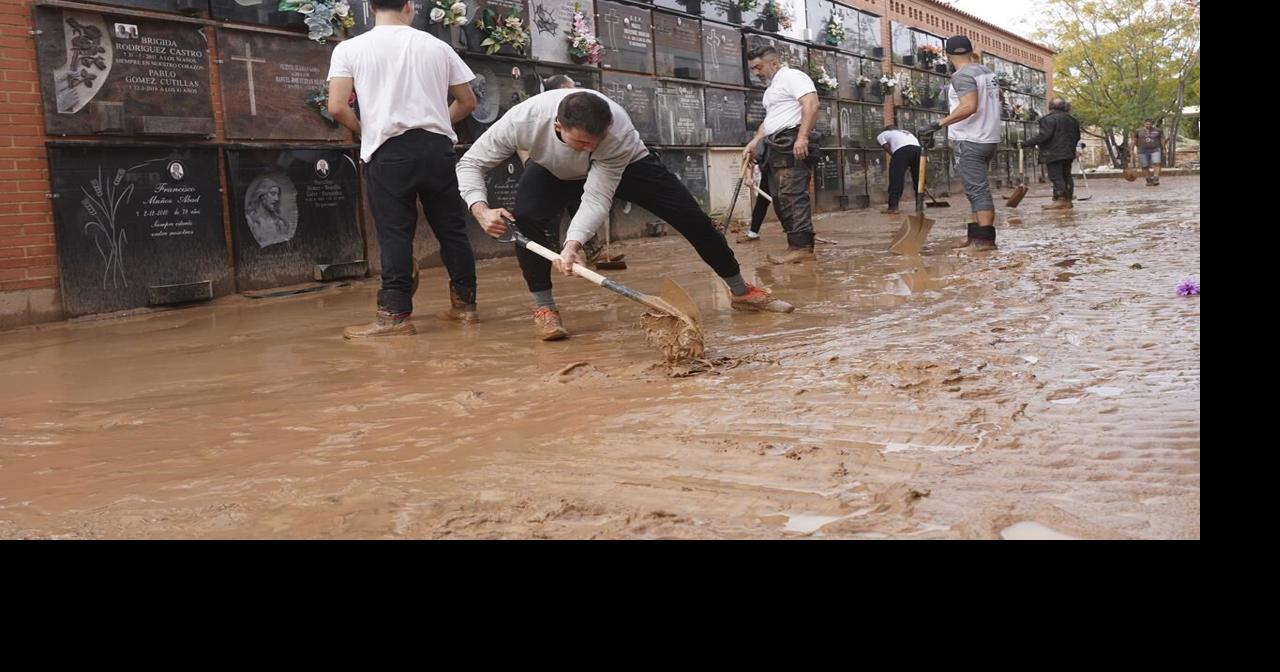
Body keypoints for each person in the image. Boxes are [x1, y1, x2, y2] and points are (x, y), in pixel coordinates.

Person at [457, 89, 794, 341]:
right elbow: (470, 163)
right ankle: (545, 307)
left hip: (630, 165)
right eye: (579, 142)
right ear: (557, 126)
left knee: (692, 218)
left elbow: (597, 195)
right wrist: (480, 208)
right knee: (527, 218)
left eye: (593, 142)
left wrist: (573, 243)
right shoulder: (522, 121)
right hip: (551, 168)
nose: (587, 149)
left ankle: (741, 291)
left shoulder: (616, 136)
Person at [327, 0, 479, 338]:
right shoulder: (437, 46)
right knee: (452, 229)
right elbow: (468, 101)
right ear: (410, 6)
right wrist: (438, 122)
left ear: (369, 6)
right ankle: (465, 306)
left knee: (396, 233)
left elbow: (337, 107)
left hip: (389, 151)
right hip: (438, 149)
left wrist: (367, 130)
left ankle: (394, 315)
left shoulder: (351, 49)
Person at [924, 35, 1003, 252]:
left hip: (971, 139)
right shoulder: (987, 72)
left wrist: (938, 124)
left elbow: (969, 106)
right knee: (974, 189)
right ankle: (974, 234)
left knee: (978, 191)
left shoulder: (962, 76)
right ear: (971, 50)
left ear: (947, 54)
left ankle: (985, 240)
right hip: (989, 137)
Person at [743, 46, 819, 264]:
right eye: (752, 69)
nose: (756, 73)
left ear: (774, 63)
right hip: (775, 145)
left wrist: (802, 137)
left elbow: (811, 104)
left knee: (792, 194)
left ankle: (802, 246)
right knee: (780, 198)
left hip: (791, 141)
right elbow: (770, 122)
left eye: (758, 67)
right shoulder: (772, 90)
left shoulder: (792, 76)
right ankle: (796, 245)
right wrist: (754, 141)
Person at [1020, 96, 1082, 210]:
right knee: (1066, 175)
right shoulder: (1073, 120)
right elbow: (1077, 136)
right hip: (1068, 153)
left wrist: (1026, 143)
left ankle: (1061, 200)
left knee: (1056, 176)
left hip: (1053, 153)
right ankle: (1067, 200)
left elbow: (1044, 136)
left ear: (1050, 108)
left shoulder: (1048, 119)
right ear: (1064, 107)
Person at [875, 124, 923, 215]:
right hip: (918, 151)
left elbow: (884, 145)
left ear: (887, 130)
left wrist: (896, 157)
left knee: (896, 178)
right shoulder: (907, 133)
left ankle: (893, 207)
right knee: (919, 179)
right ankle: (920, 207)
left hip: (902, 151)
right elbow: (914, 146)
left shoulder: (884, 134)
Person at [1131, 117, 1167, 186]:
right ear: (1144, 124)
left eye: (1149, 124)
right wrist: (1131, 149)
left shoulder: (1158, 130)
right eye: (1146, 124)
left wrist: (1164, 149)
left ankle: (1156, 178)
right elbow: (1134, 140)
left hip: (1155, 149)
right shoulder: (1138, 131)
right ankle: (1148, 179)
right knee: (1144, 166)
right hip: (1142, 150)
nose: (1148, 126)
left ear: (1152, 124)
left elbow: (1162, 140)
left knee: (1156, 163)